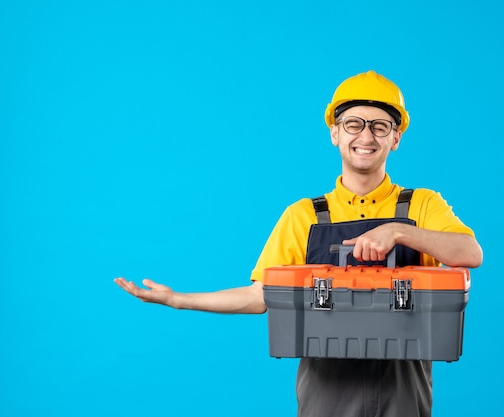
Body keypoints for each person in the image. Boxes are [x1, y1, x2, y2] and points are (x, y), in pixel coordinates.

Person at [114, 70, 483, 417]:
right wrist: (178, 300)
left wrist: (399, 232)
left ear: (395, 137)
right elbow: (261, 297)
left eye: (380, 126)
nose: (366, 137)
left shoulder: (422, 205)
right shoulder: (304, 216)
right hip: (326, 389)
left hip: (405, 387)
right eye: (353, 124)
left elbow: (470, 254)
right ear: (335, 133)